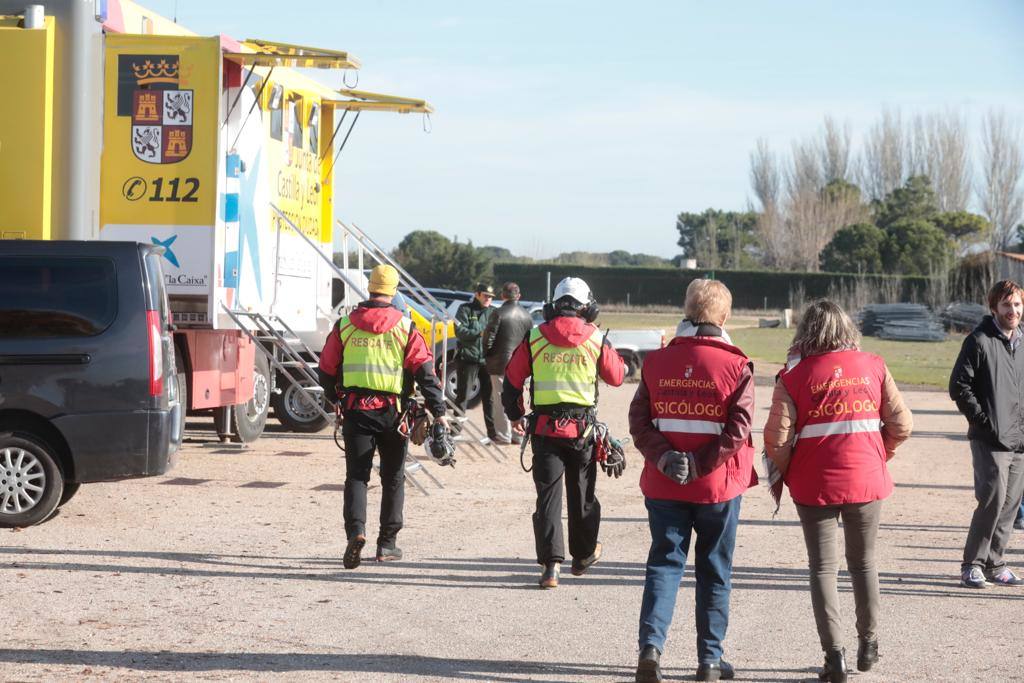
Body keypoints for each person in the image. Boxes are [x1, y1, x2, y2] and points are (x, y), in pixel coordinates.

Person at [764, 300, 912, 683]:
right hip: (866, 479)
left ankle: (835, 658)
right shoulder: (874, 365)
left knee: (822, 569)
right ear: (848, 329)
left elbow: (776, 440)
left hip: (814, 485)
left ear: (806, 332)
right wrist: (881, 454)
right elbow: (902, 424)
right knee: (864, 563)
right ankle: (869, 642)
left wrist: (791, 471)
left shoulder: (793, 377)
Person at [629, 279, 756, 683]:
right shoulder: (737, 365)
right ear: (724, 317)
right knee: (714, 571)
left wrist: (666, 457)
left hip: (665, 483)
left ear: (687, 310)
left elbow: (639, 421)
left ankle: (651, 648)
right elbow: (739, 431)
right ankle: (710, 661)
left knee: (664, 566)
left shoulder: (656, 361)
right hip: (716, 486)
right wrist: (700, 465)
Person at [317, 264, 448, 570]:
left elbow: (325, 370)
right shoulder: (406, 327)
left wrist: (337, 399)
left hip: (356, 411)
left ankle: (356, 531)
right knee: (393, 478)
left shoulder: (346, 325)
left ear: (370, 287)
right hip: (393, 414)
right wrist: (438, 412)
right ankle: (387, 545)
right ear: (393, 290)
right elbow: (426, 374)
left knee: (357, 476)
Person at [502, 277, 625, 589]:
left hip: (545, 432)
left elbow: (512, 380)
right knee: (582, 496)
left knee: (548, 498)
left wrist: (515, 415)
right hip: (582, 433)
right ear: (587, 307)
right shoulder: (596, 338)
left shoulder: (535, 337)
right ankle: (582, 556)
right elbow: (617, 376)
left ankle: (550, 566)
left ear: (553, 306)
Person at [949, 279, 1024, 588]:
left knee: (1010, 504)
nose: (1013, 310)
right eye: (1007, 305)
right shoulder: (979, 340)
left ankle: (996, 563)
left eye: (1017, 304)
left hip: (1019, 440)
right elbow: (959, 386)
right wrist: (983, 421)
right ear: (994, 307)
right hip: (990, 439)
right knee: (991, 501)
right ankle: (972, 564)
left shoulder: (1022, 342)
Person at [483, 282, 533, 445]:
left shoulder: (498, 313)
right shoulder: (527, 315)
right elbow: (530, 341)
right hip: (521, 364)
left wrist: (487, 355)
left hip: (499, 362)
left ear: (503, 295)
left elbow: (488, 338)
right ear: (519, 296)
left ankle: (503, 435)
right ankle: (518, 435)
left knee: (500, 399)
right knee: (517, 398)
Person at [453, 283, 496, 437]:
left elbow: (497, 334)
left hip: (486, 360)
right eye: (485, 295)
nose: (488, 299)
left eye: (490, 297)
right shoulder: (465, 309)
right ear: (477, 294)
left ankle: (492, 433)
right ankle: (455, 430)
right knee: (463, 397)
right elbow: (459, 331)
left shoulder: (493, 312)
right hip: (468, 359)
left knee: (489, 399)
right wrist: (479, 333)